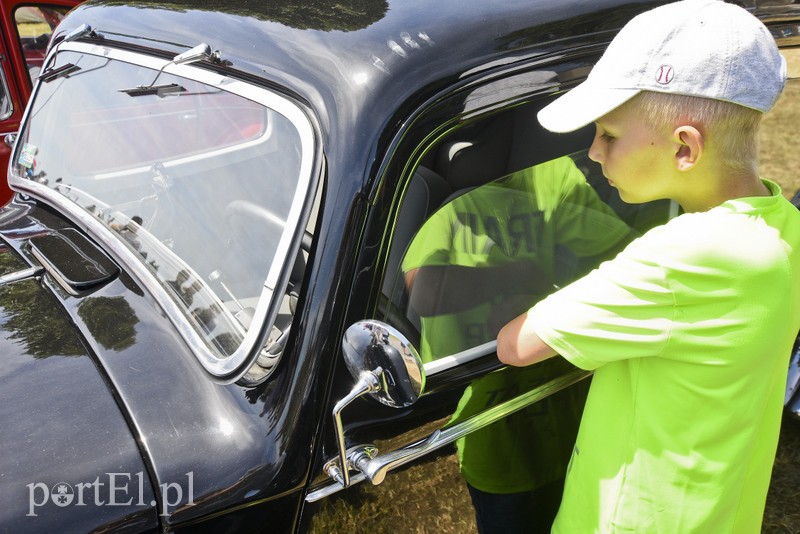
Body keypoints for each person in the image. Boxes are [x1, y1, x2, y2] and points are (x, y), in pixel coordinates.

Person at [496, 1, 800, 531]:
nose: (592, 151)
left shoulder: (678, 257)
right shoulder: (783, 226)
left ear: (685, 148)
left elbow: (516, 345)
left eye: (608, 134)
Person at [401, 156, 634, 532]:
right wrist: (520, 274)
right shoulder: (453, 208)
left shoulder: (551, 173)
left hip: (559, 398)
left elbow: (620, 249)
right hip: (487, 416)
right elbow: (425, 290)